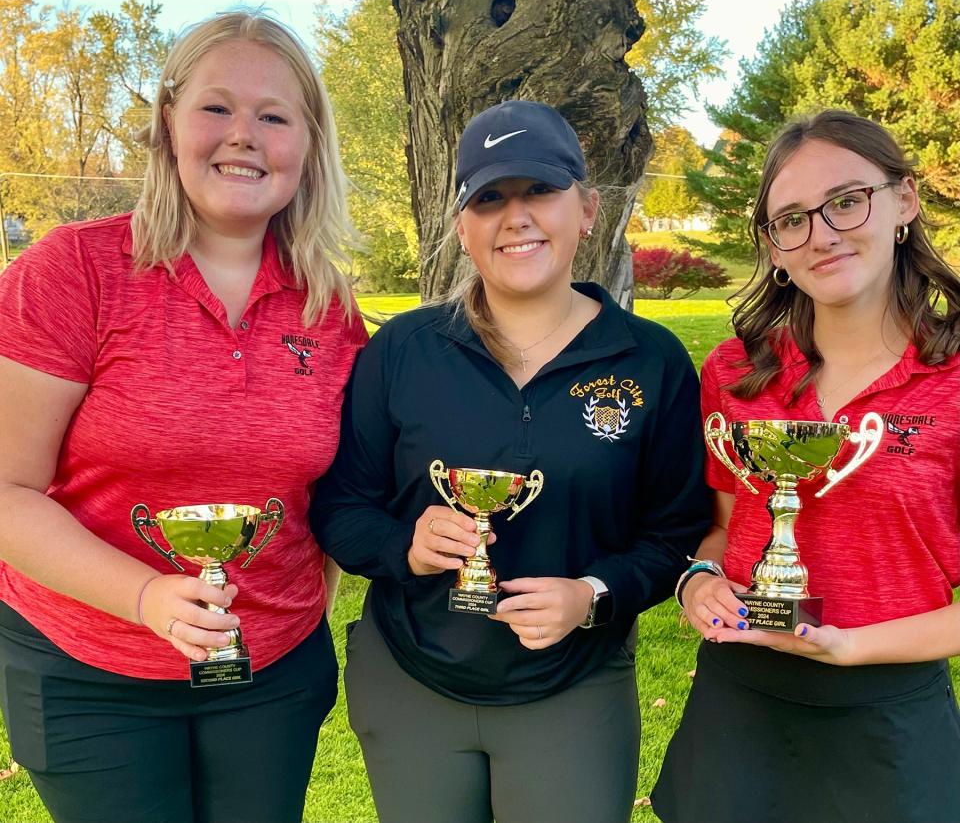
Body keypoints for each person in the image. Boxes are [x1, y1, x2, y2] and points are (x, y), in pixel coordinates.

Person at [0, 11, 367, 823]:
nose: (244, 136)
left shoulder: (332, 311)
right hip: (87, 670)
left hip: (270, 676)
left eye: (274, 116)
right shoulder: (72, 273)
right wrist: (145, 598)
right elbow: (6, 492)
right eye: (216, 107)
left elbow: (335, 494)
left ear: (307, 145)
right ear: (168, 123)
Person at [310, 99, 711, 823]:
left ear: (587, 209)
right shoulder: (402, 352)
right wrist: (407, 544)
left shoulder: (651, 362)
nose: (515, 216)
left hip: (574, 686)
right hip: (413, 681)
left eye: (540, 190)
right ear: (463, 227)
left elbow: (675, 530)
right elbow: (341, 506)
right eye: (489, 198)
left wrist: (591, 593)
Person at [652, 110, 960, 823]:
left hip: (888, 718)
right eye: (791, 219)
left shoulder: (951, 380)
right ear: (774, 247)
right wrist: (698, 580)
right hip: (738, 708)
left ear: (904, 202)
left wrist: (849, 645)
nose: (821, 234)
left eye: (847, 201)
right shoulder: (734, 373)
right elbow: (723, 531)